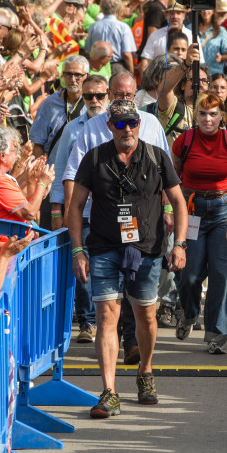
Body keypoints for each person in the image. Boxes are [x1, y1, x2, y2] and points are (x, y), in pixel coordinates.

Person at [68, 99, 187, 419]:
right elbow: (75, 207)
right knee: (107, 315)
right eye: (120, 123)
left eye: (132, 122)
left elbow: (178, 201)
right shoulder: (94, 159)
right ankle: (108, 391)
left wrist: (181, 245)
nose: (127, 129)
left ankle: (145, 373)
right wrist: (78, 251)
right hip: (105, 247)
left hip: (147, 249)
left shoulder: (157, 157)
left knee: (146, 316)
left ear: (139, 123)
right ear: (110, 126)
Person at [172, 93, 227, 354]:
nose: (207, 119)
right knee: (188, 274)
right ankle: (188, 313)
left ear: (222, 116)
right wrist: (170, 210)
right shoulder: (184, 140)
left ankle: (216, 335)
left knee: (223, 275)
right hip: (192, 210)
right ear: (195, 115)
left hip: (223, 210)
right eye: (202, 113)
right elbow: (172, 178)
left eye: (213, 114)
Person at [51, 74, 109, 344]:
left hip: (111, 211)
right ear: (82, 98)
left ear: (108, 95)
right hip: (82, 212)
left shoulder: (117, 125)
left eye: (99, 95)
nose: (95, 101)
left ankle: (108, 321)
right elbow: (61, 170)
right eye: (89, 96)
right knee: (83, 265)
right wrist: (57, 210)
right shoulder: (72, 129)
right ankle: (87, 322)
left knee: (108, 267)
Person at [0, 126, 54, 275]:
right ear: (2, 156)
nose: (17, 156)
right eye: (14, 151)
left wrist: (32, 181)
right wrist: (42, 183)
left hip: (1, 261)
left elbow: (21, 206)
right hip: (2, 265)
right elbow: (29, 213)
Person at [30, 54, 89, 160]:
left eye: (78, 75)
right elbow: (38, 142)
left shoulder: (94, 102)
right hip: (55, 171)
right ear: (62, 75)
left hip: (84, 171)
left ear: (87, 77)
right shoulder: (50, 103)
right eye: (68, 74)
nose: (72, 79)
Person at [84, 0, 137, 74]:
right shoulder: (123, 27)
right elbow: (126, 54)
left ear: (101, 8)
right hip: (117, 68)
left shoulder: (93, 26)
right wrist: (131, 73)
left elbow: (88, 50)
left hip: (98, 67)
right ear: (118, 10)